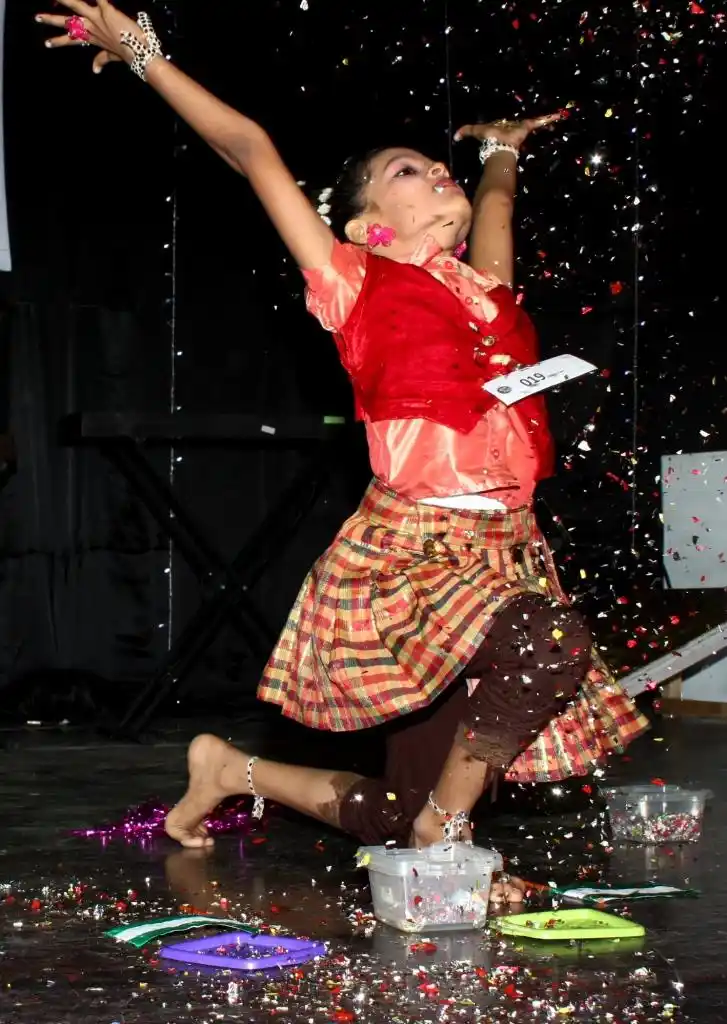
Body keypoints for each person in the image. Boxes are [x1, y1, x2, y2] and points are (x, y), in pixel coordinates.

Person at [39, 2, 649, 904]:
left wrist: (501, 147)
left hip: (505, 550)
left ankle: (231, 770)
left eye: (437, 164)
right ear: (368, 225)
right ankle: (445, 836)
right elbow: (249, 149)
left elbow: (495, 204)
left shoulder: (487, 293)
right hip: (414, 554)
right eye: (407, 170)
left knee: (402, 809)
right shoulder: (352, 279)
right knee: (544, 644)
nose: (435, 170)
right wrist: (139, 52)